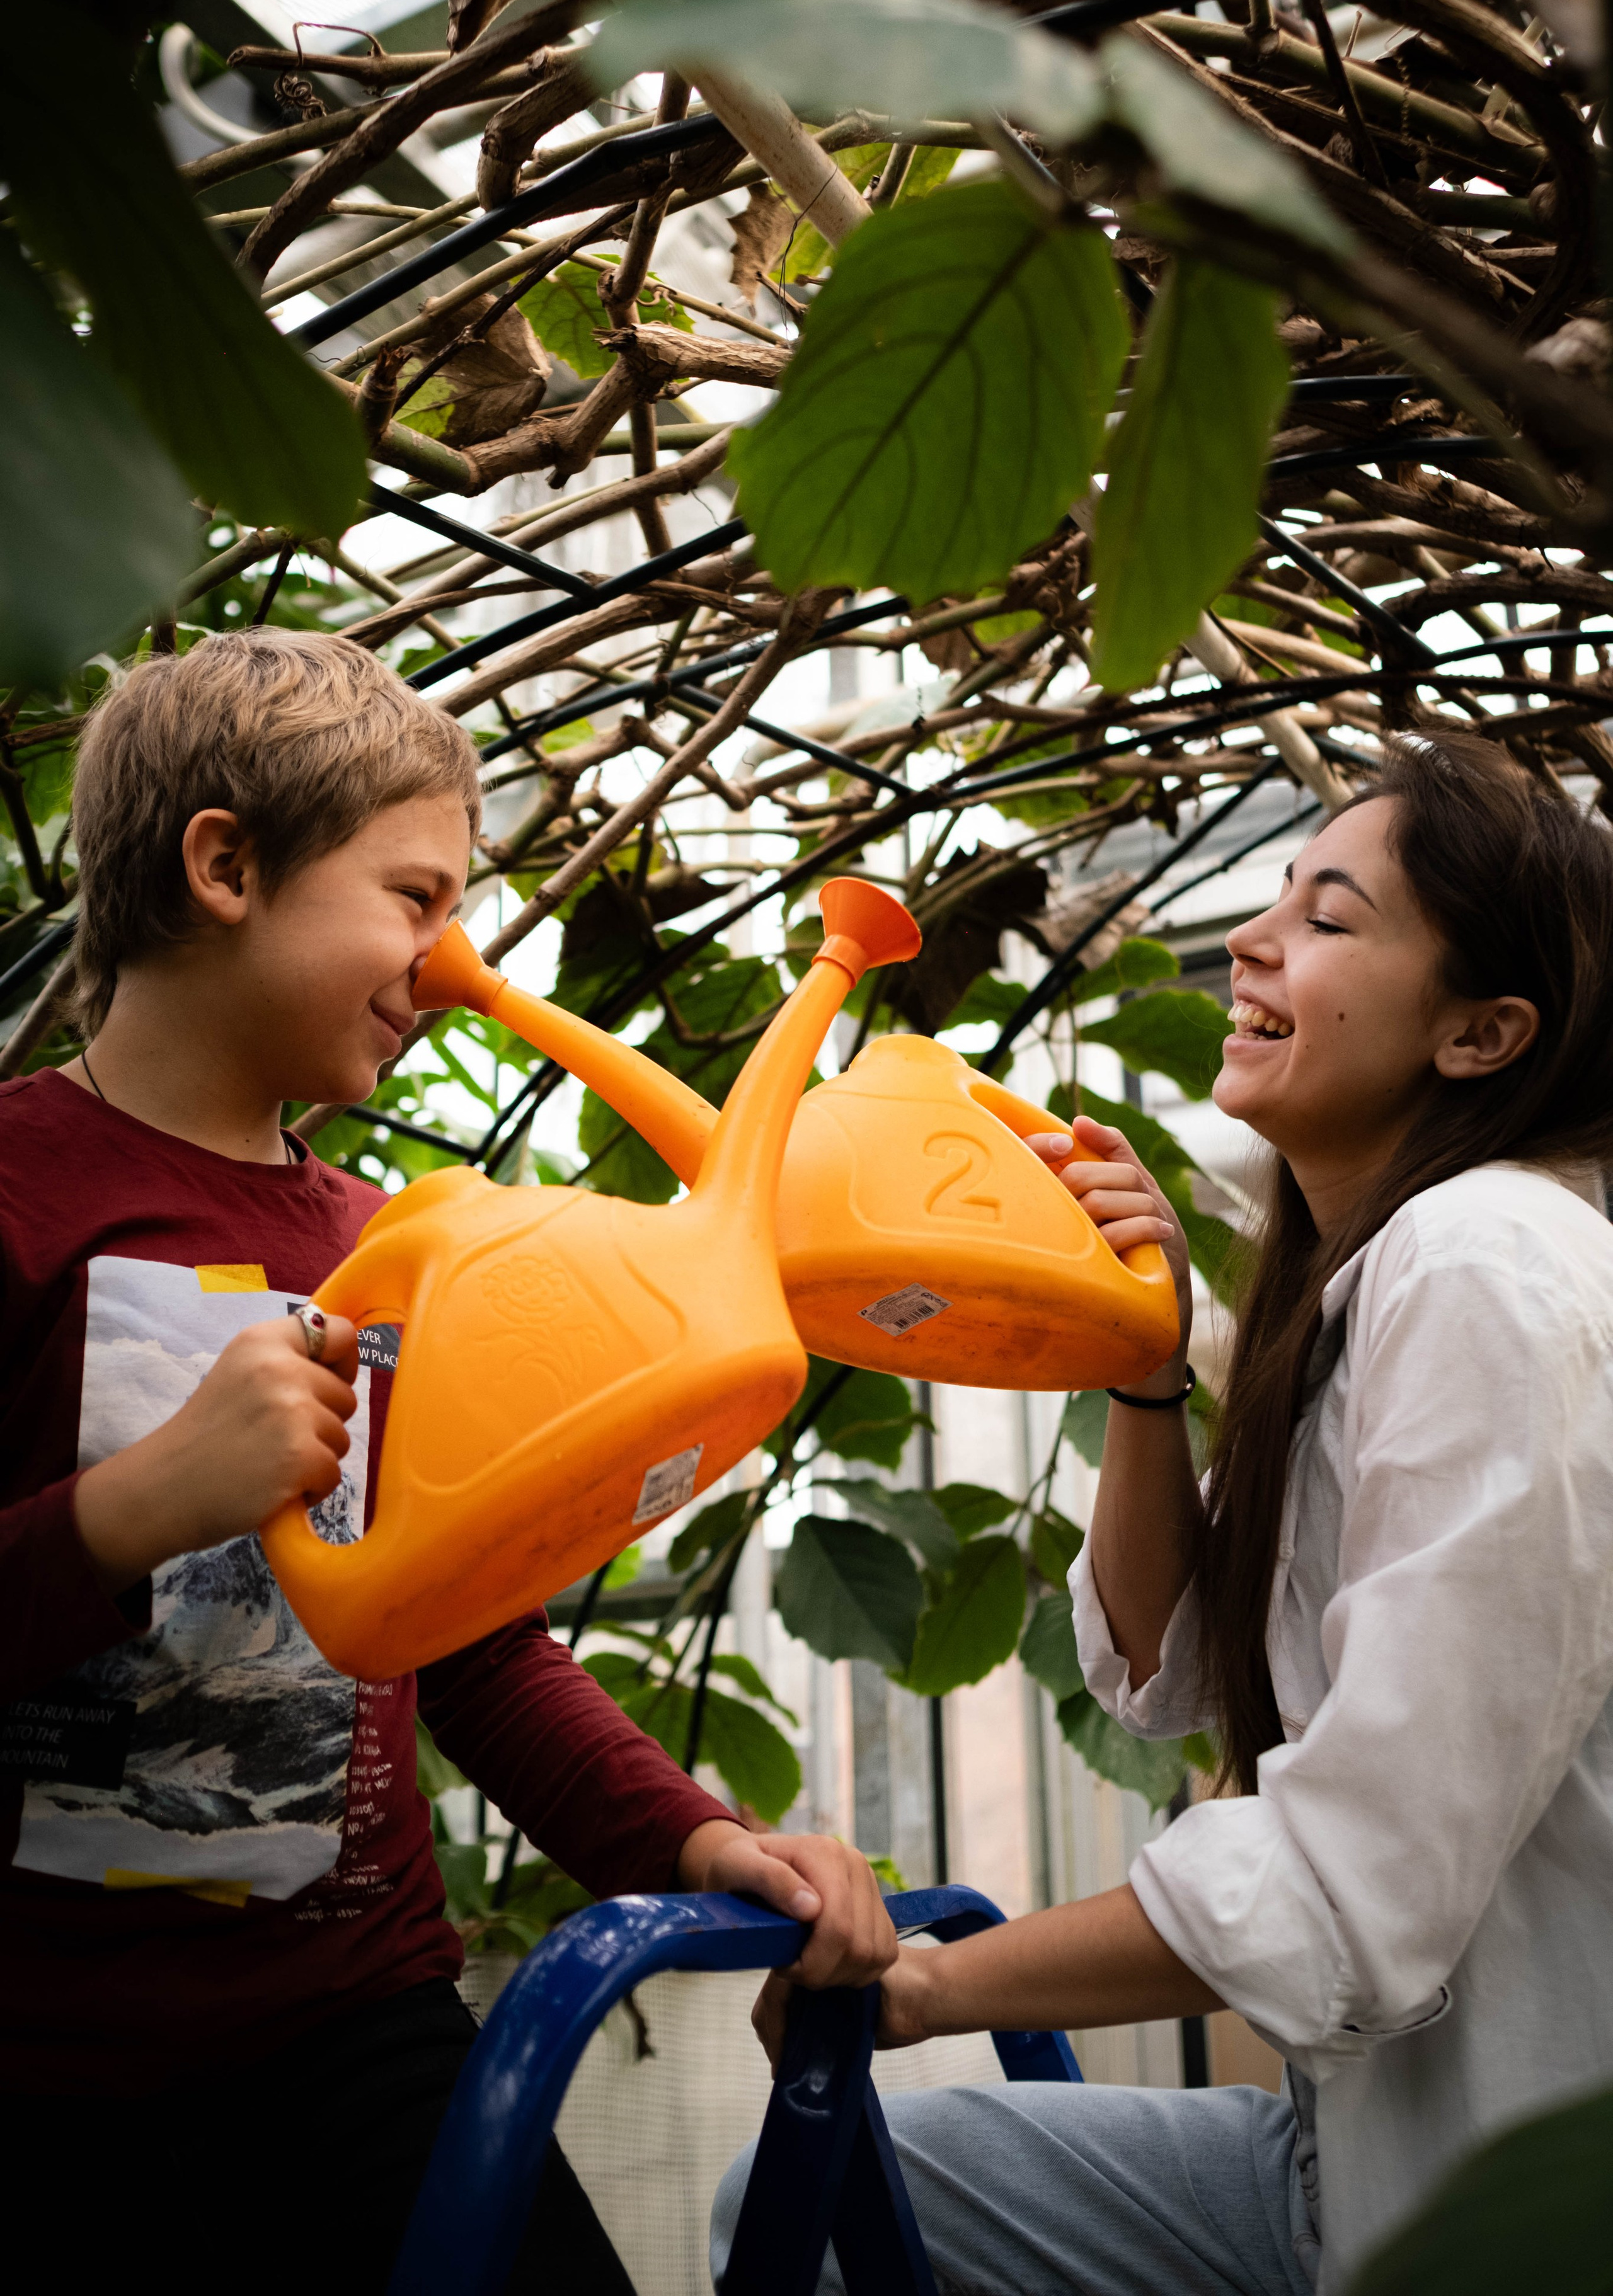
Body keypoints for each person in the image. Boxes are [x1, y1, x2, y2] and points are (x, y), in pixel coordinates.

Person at [0, 632, 893, 2295]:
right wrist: (133, 1508)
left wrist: (696, 1843)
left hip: (360, 2034)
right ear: (225, 866)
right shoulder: (16, 1196)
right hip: (42, 2083)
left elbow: (469, 1647)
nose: (456, 953)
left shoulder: (400, 1249)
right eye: (416, 897)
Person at [715, 728, 1613, 2295]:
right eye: (1276, 895)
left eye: (1329, 919)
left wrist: (925, 1989)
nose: (1254, 939)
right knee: (853, 2189)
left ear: (1479, 1034)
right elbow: (1170, 1674)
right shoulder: (1371, 1278)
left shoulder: (1486, 1265)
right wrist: (1140, 1367)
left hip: (1501, 2212)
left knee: (832, 2193)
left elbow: (1354, 1875)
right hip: (1364, 2159)